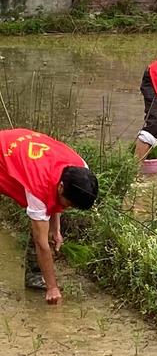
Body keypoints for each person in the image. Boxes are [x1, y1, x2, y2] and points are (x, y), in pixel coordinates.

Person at [0, 128, 98, 305]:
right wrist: (52, 288)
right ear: (60, 187)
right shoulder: (38, 187)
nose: (68, 208)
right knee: (40, 232)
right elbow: (41, 243)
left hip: (21, 146)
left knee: (44, 226)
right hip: (5, 153)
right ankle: (41, 279)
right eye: (69, 204)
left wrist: (56, 228)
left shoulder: (80, 168)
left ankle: (34, 277)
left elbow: (55, 203)